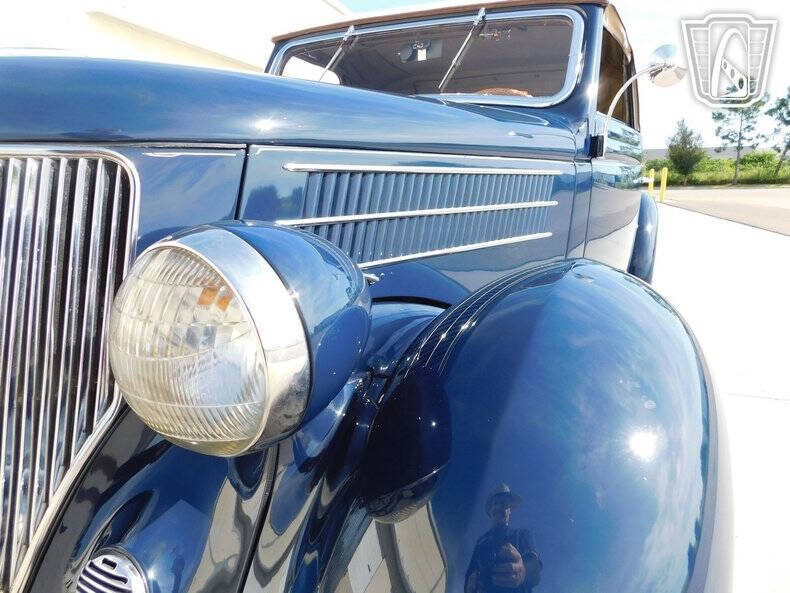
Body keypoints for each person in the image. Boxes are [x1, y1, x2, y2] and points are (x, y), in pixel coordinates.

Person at [465, 484, 542, 593]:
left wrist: (522, 571)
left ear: (510, 509)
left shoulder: (522, 534)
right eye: (495, 503)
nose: (498, 507)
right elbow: (470, 573)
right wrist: (471, 582)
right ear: (490, 510)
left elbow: (535, 570)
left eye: (503, 503)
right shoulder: (481, 542)